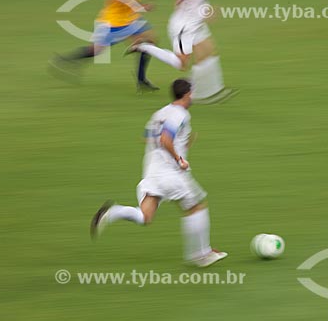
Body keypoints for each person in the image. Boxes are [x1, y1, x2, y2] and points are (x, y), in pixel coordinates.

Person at [90, 79, 228, 267]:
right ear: (186, 94)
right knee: (196, 207)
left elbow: (150, 139)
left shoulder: (160, 113)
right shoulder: (181, 115)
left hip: (152, 173)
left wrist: (183, 146)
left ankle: (111, 213)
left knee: (145, 217)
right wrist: (179, 159)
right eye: (193, 92)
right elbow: (165, 140)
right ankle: (202, 254)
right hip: (170, 175)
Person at [124, 0, 238, 103]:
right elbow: (180, 1)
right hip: (184, 27)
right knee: (182, 65)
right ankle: (145, 47)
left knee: (208, 52)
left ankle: (212, 90)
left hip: (197, 24)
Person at [50, 0, 159, 92]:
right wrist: (141, 7)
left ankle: (141, 79)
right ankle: (66, 60)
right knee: (96, 50)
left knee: (149, 41)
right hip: (113, 22)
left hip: (131, 19)